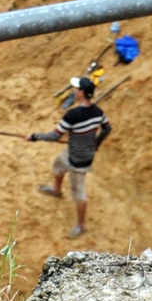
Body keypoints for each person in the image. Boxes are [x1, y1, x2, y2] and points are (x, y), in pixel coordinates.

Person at [31, 76, 113, 238]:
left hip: (78, 160)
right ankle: (56, 189)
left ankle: (80, 226)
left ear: (81, 93)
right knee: (58, 164)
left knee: (79, 193)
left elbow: (55, 136)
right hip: (78, 152)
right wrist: (96, 143)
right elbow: (107, 127)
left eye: (76, 89)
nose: (74, 91)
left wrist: (35, 137)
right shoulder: (98, 112)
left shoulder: (73, 115)